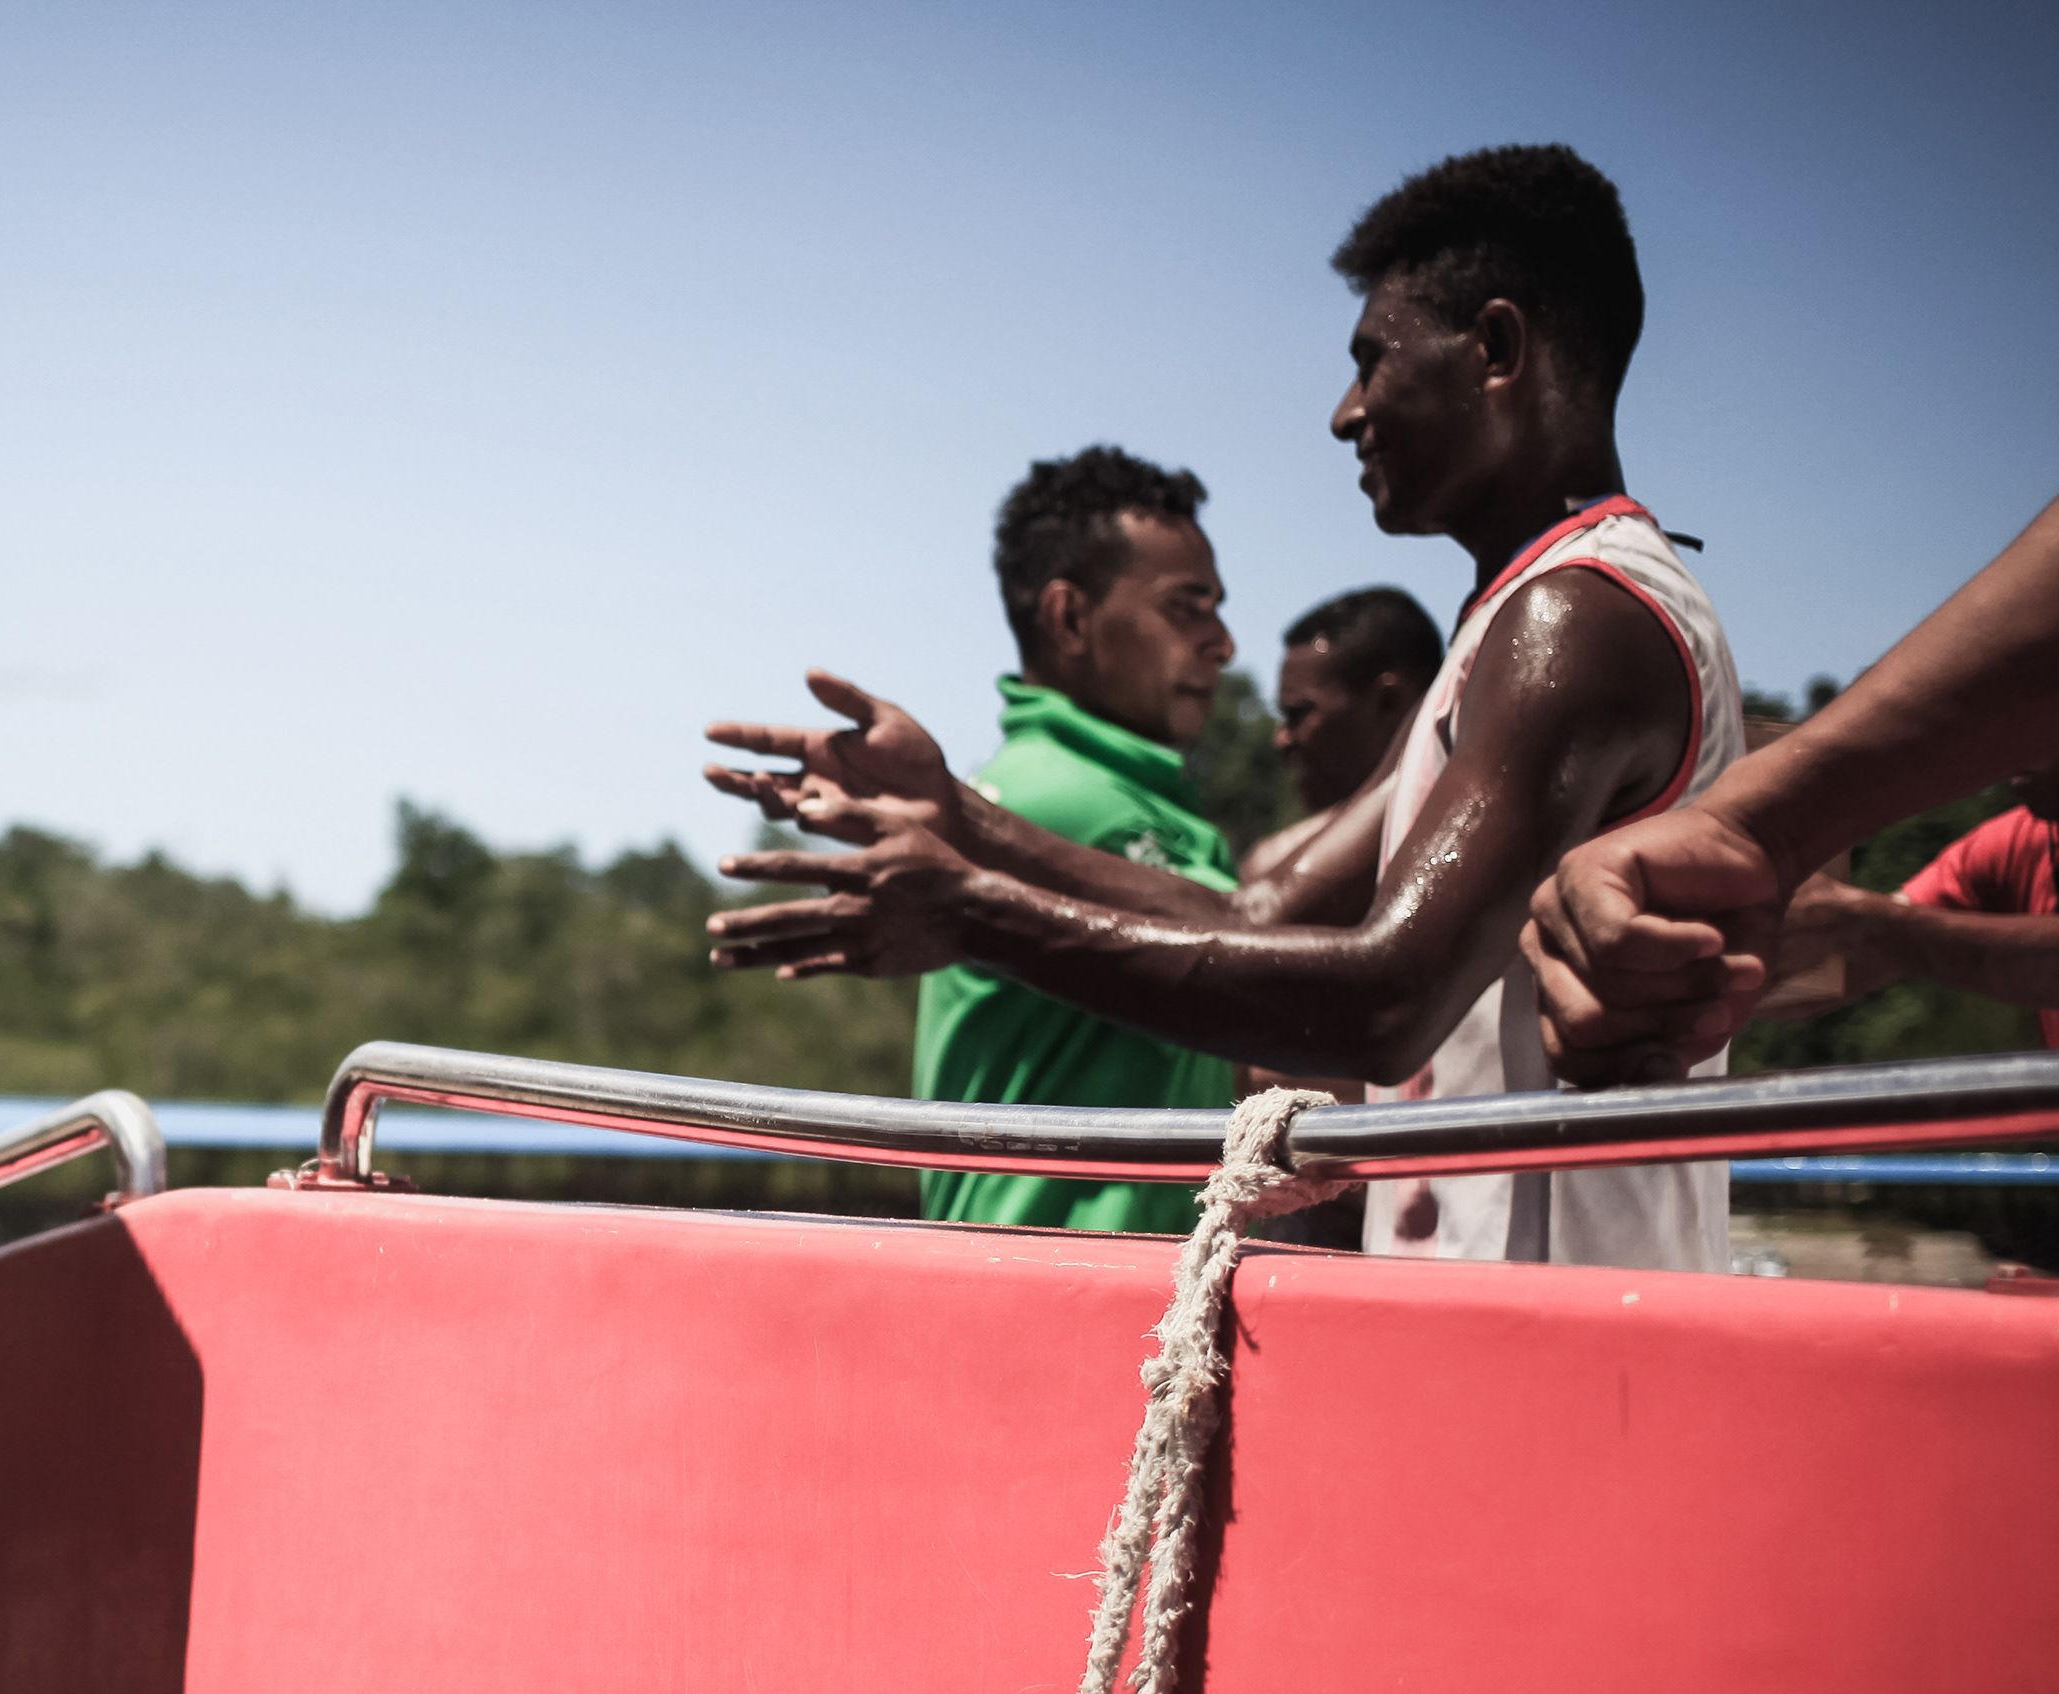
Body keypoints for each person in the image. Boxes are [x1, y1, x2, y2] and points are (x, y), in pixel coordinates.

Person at [703, 144, 1741, 1272]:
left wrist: (974, 914)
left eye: (1372, 360)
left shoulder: (1573, 619)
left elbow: (1388, 996)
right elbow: (1265, 911)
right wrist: (963, 818)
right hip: (1496, 1321)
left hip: (1577, 1334)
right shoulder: (1507, 625)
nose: (1346, 414)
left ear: (1495, 350)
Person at [705, 445, 1243, 1234]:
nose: (1222, 641)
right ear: (1069, 617)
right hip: (1070, 1294)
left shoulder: (1116, 794)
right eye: (1186, 607)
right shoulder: (1066, 800)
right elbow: (1263, 943)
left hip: (1067, 1289)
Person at [1526, 497, 2059, 1083]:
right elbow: (1856, 958)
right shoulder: (2011, 846)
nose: (2006, 764)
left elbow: (1885, 932)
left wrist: (1861, 922)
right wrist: (1722, 965)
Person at [1752, 770, 2059, 1044]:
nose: (2013, 769)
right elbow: (1843, 967)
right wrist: (1740, 969)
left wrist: (1858, 926)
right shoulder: (2018, 841)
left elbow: (1877, 931)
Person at [1248, 583, 1441, 882]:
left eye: (1300, 714)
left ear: (1388, 703)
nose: (1281, 738)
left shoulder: (1468, 840)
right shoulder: (1274, 864)